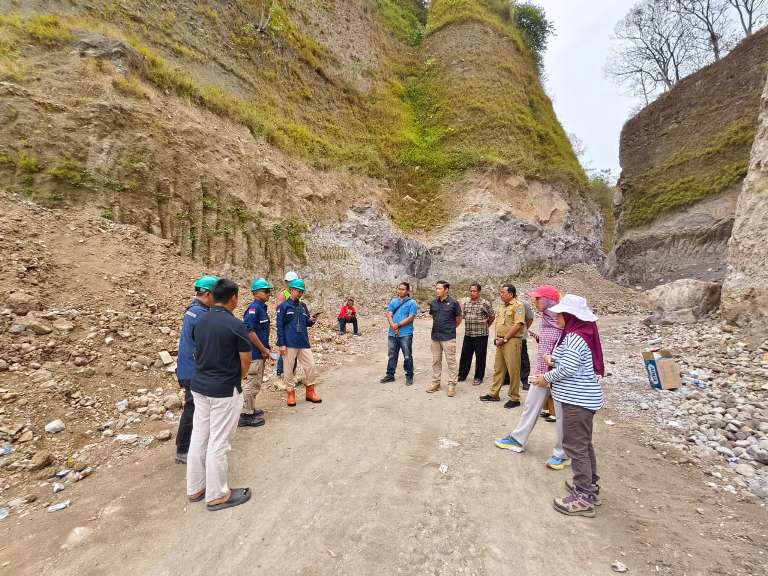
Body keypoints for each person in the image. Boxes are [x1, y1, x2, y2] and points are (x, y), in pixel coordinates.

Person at [536, 294, 605, 518]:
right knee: (583, 444)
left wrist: (546, 378)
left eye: (560, 313)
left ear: (570, 315)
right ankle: (590, 485)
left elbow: (568, 370)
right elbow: (570, 363)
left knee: (575, 446)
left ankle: (583, 496)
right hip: (582, 399)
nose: (556, 316)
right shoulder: (579, 334)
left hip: (578, 401)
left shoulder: (575, 337)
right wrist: (554, 361)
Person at [187, 278, 252, 511]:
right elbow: (245, 361)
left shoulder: (200, 320)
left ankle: (195, 488)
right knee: (219, 442)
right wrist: (240, 377)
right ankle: (217, 495)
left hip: (200, 387)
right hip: (224, 390)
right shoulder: (236, 325)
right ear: (233, 298)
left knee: (200, 436)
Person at [494, 285, 570, 469]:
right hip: (541, 373)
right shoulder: (547, 319)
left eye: (538, 299)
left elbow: (567, 349)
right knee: (530, 406)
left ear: (549, 301)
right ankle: (517, 439)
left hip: (558, 375)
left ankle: (562, 454)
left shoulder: (563, 321)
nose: (535, 302)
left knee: (561, 415)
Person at [174, 275, 218, 465]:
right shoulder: (201, 315)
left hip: (187, 368)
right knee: (192, 409)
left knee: (195, 408)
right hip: (193, 371)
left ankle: (189, 446)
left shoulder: (192, 311)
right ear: (207, 294)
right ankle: (183, 449)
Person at [276, 278, 322, 406]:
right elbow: (279, 326)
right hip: (289, 343)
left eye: (302, 291)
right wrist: (281, 343)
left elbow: (306, 322)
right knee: (289, 369)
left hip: (303, 342)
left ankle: (310, 392)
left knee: (311, 366)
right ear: (291, 290)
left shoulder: (303, 306)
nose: (300, 293)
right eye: (298, 290)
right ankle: (291, 394)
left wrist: (312, 320)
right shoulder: (283, 306)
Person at [480, 284, 525, 409]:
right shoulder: (501, 306)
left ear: (510, 294)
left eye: (503, 292)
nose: (501, 294)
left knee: (513, 369)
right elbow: (498, 323)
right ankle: (494, 394)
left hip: (511, 341)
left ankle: (514, 397)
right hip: (500, 340)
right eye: (500, 292)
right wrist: (497, 337)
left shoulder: (518, 306)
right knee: (498, 368)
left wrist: (505, 338)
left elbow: (518, 325)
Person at [240, 278, 273, 428]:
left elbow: (260, 332)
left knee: (256, 383)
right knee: (251, 383)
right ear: (255, 293)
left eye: (269, 291)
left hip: (260, 352)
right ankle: (245, 414)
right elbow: (249, 331)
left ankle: (250, 409)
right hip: (254, 354)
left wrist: (266, 347)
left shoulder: (261, 308)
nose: (268, 294)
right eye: (265, 291)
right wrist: (263, 349)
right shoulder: (254, 309)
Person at [428, 280, 463, 397]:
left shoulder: (454, 303)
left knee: (451, 361)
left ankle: (452, 385)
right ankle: (436, 383)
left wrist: (451, 327)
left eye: (439, 288)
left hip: (448, 337)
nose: (437, 290)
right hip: (435, 337)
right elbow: (434, 316)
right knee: (436, 361)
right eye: (436, 288)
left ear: (446, 290)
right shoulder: (433, 303)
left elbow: (459, 318)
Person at [380, 282, 419, 386]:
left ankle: (409, 375)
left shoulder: (412, 303)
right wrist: (393, 325)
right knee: (392, 355)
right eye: (399, 289)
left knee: (407, 356)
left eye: (402, 289)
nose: (400, 291)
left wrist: (398, 325)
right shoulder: (394, 301)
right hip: (392, 333)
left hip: (405, 333)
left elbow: (411, 317)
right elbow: (389, 313)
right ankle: (390, 375)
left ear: (407, 291)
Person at [458, 283, 495, 386]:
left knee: (480, 356)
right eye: (471, 291)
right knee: (465, 355)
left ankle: (478, 377)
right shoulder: (467, 303)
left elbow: (492, 316)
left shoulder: (485, 303)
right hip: (468, 334)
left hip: (481, 335)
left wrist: (486, 325)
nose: (472, 293)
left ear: (479, 292)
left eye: (474, 291)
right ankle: (462, 375)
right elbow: (464, 315)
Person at [275, 271, 300, 378]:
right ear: (286, 282)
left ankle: (291, 372)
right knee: (284, 351)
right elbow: (280, 311)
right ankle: (280, 372)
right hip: (286, 327)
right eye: (289, 282)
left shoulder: (296, 293)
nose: (291, 283)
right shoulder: (283, 294)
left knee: (294, 350)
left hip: (294, 327)